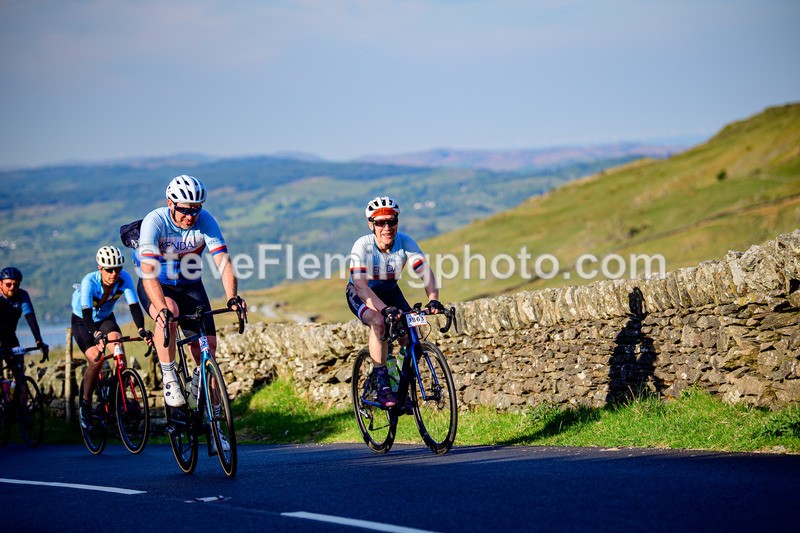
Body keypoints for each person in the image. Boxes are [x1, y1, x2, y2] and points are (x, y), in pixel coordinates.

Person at [135, 175, 246, 424]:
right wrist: (161, 308)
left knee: (208, 348)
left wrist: (232, 298)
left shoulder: (205, 221)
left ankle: (216, 418)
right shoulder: (155, 221)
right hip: (157, 285)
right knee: (170, 312)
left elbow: (224, 263)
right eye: (185, 210)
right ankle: (169, 378)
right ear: (171, 203)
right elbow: (148, 272)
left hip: (190, 285)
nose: (190, 216)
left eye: (196, 209)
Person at [346, 196, 445, 408]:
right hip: (362, 293)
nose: (387, 227)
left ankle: (398, 380)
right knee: (379, 323)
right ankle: (382, 383)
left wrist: (433, 300)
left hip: (390, 291)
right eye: (381, 223)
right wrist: (384, 309)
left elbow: (425, 273)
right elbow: (361, 286)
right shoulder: (362, 245)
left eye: (391, 221)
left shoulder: (405, 242)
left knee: (410, 332)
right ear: (371, 225)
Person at [71, 246, 153, 429]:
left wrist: (141, 330)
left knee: (118, 348)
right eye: (109, 270)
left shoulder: (124, 279)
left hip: (105, 318)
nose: (114, 274)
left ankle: (115, 396)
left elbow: (134, 306)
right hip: (83, 321)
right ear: (100, 268)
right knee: (97, 359)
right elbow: (86, 315)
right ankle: (85, 405)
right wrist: (96, 335)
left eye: (118, 269)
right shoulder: (89, 281)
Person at [0, 267, 49, 383]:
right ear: (0, 283)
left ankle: (21, 392)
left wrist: (39, 341)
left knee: (19, 374)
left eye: (16, 285)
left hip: (10, 337)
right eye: (8, 284)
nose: (12, 287)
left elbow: (30, 318)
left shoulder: (22, 296)